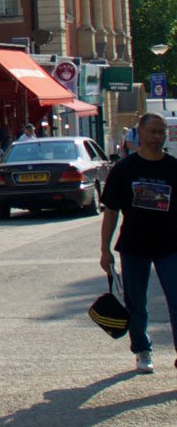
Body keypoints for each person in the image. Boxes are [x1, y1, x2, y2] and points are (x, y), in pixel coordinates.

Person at [100, 114, 177, 374]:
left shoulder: (173, 168)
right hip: (134, 246)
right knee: (136, 302)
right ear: (140, 133)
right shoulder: (124, 169)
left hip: (170, 246)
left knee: (176, 299)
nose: (158, 137)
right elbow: (111, 211)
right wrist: (105, 250)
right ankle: (142, 350)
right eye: (153, 132)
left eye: (162, 132)